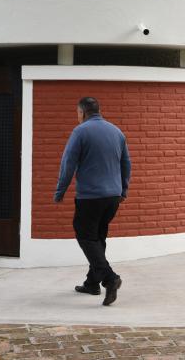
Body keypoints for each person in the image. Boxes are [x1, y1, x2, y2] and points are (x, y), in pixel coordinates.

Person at [54, 96, 131, 306]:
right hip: (113, 197)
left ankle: (110, 278)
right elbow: (126, 163)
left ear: (83, 113)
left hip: (90, 197)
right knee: (98, 237)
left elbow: (68, 162)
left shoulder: (80, 132)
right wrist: (123, 189)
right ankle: (92, 283)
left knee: (85, 236)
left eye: (77, 113)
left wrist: (60, 190)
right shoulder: (116, 131)